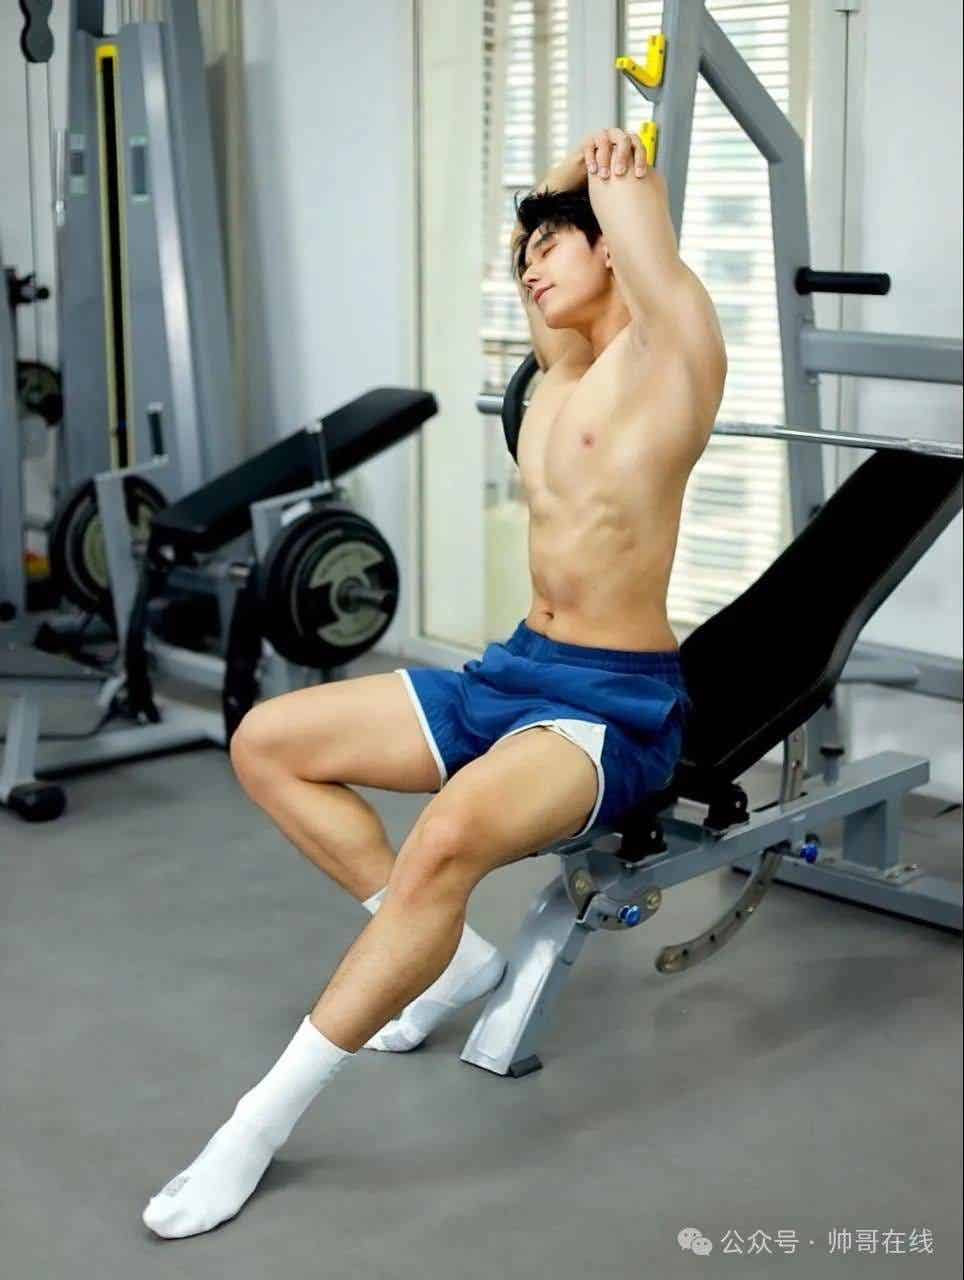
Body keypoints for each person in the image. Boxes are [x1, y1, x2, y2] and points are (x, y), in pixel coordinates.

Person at [142, 126, 727, 1239]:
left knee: (445, 837)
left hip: (611, 706)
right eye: (525, 257)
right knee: (267, 742)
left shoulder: (676, 360)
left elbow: (645, 236)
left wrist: (601, 172)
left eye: (553, 249)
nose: (530, 269)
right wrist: (545, 205)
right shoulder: (556, 375)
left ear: (612, 249)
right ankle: (448, 956)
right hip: (515, 670)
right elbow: (545, 249)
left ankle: (254, 1125)